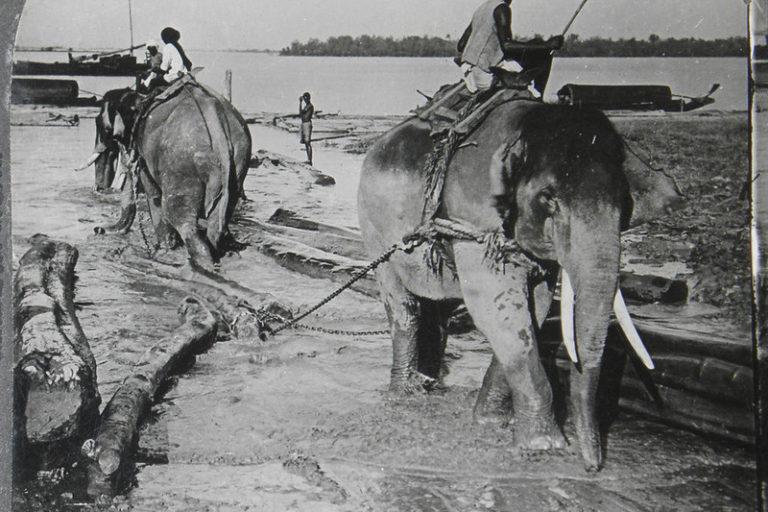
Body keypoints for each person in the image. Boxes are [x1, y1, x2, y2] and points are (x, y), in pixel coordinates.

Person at [457, 0, 563, 95]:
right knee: (543, 50)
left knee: (535, 44)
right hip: (484, 77)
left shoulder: (482, 9)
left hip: (469, 75)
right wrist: (547, 45)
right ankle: (538, 98)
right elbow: (506, 46)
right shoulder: (502, 8)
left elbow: (461, 45)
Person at [299, 92, 314, 165]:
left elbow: (305, 116)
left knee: (308, 142)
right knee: (305, 142)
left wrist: (303, 114)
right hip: (304, 123)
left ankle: (309, 160)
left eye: (306, 98)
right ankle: (308, 159)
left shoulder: (310, 106)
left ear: (308, 98)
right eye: (304, 98)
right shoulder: (306, 106)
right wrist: (300, 103)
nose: (305, 100)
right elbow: (300, 113)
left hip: (307, 123)